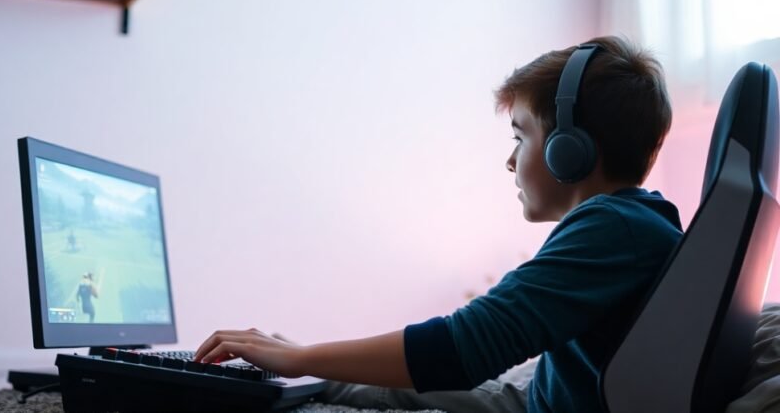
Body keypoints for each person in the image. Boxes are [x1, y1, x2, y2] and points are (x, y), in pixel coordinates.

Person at [194, 36, 681, 413]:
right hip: (530, 395)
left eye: (521, 135)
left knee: (341, 379)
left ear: (569, 151)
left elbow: (462, 348)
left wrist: (300, 360)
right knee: (356, 386)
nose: (511, 161)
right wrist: (308, 359)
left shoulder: (614, 229)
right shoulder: (633, 223)